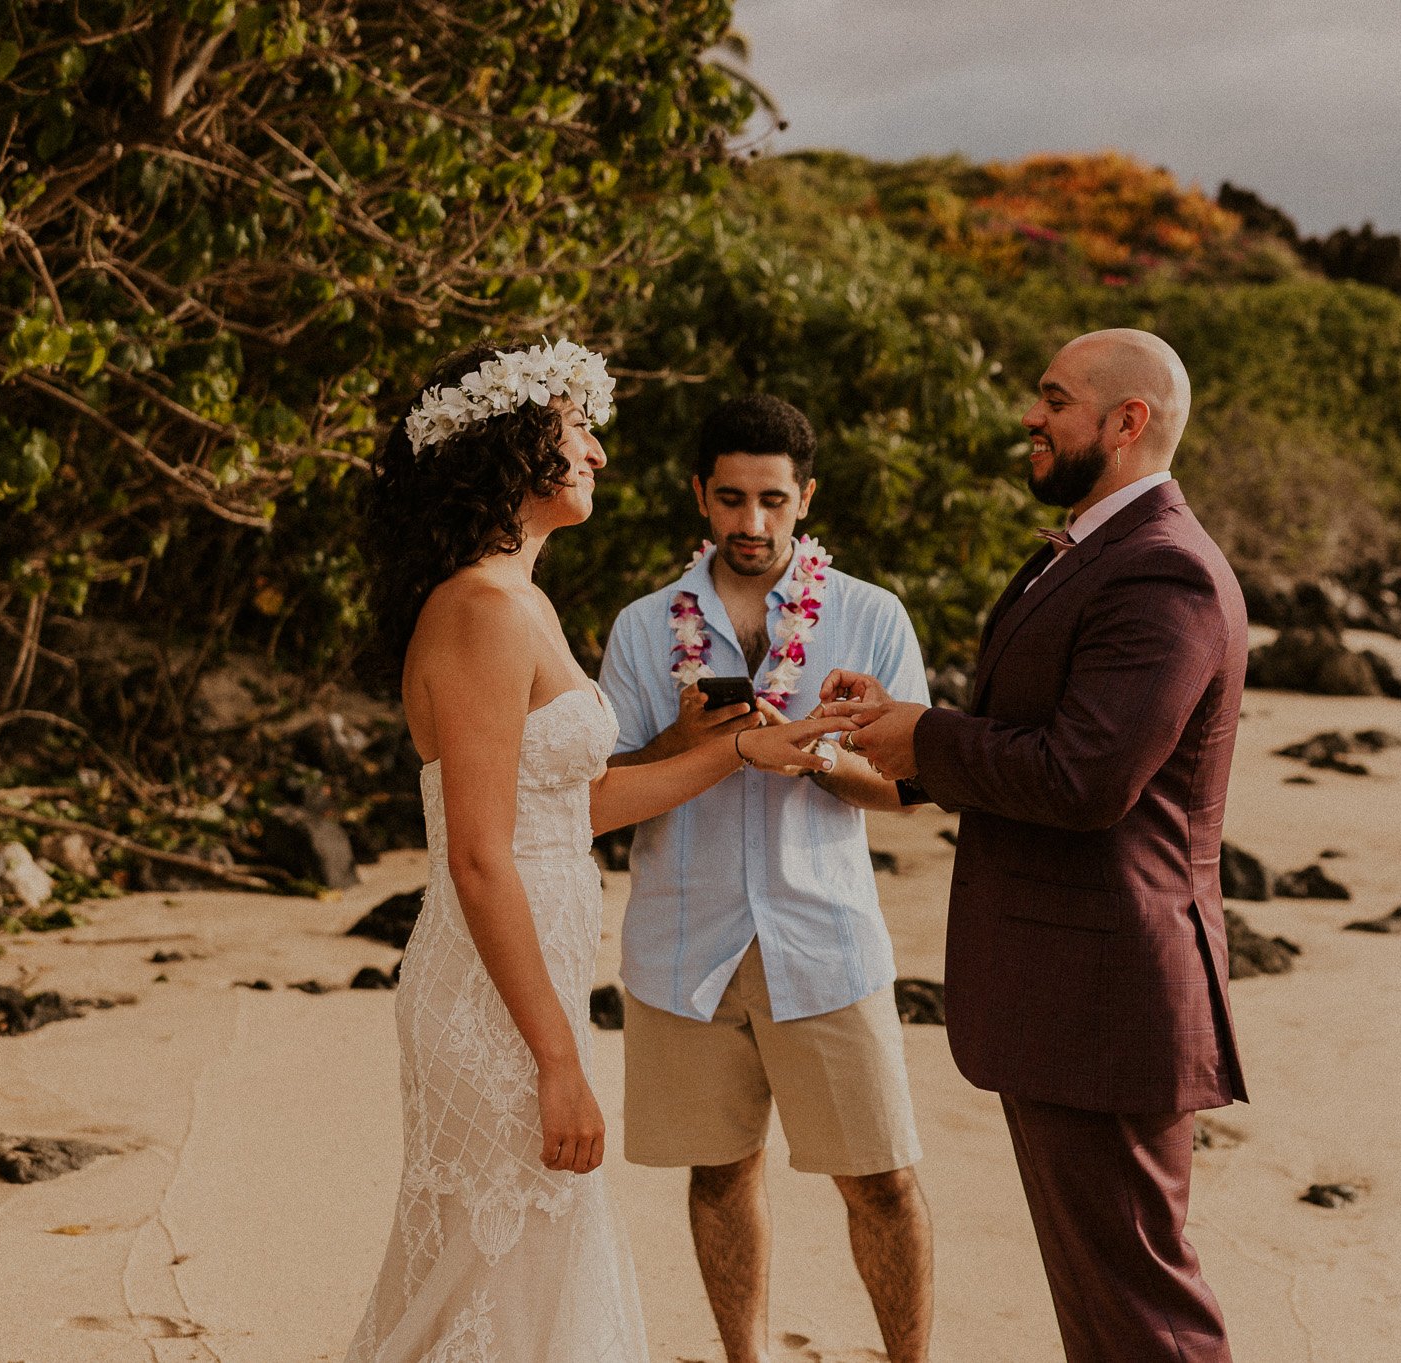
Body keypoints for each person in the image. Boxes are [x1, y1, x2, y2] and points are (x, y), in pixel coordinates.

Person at [345, 343, 851, 1363]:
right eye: (575, 427)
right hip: (496, 995)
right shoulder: (483, 610)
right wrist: (558, 1062)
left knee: (510, 1273)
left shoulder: (513, 600)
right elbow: (480, 858)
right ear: (506, 443)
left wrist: (740, 748)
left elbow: (571, 807)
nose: (597, 452)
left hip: (519, 977)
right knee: (505, 1273)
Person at [820, 329, 1247, 1363]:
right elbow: (1038, 735)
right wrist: (910, 734)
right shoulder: (1093, 548)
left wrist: (924, 735)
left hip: (1109, 991)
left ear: (1125, 421)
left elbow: (1083, 777)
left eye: (1052, 398)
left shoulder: (1164, 572)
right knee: (1105, 1307)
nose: (1030, 415)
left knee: (1143, 1309)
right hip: (1068, 989)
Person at [596, 393, 935, 1363]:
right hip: (682, 945)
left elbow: (914, 786)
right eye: (732, 499)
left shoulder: (869, 615)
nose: (752, 524)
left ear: (805, 498)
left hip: (823, 941)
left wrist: (819, 759)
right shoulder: (642, 627)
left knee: (881, 1178)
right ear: (698, 496)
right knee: (717, 1172)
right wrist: (694, 739)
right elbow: (608, 783)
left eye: (773, 501)